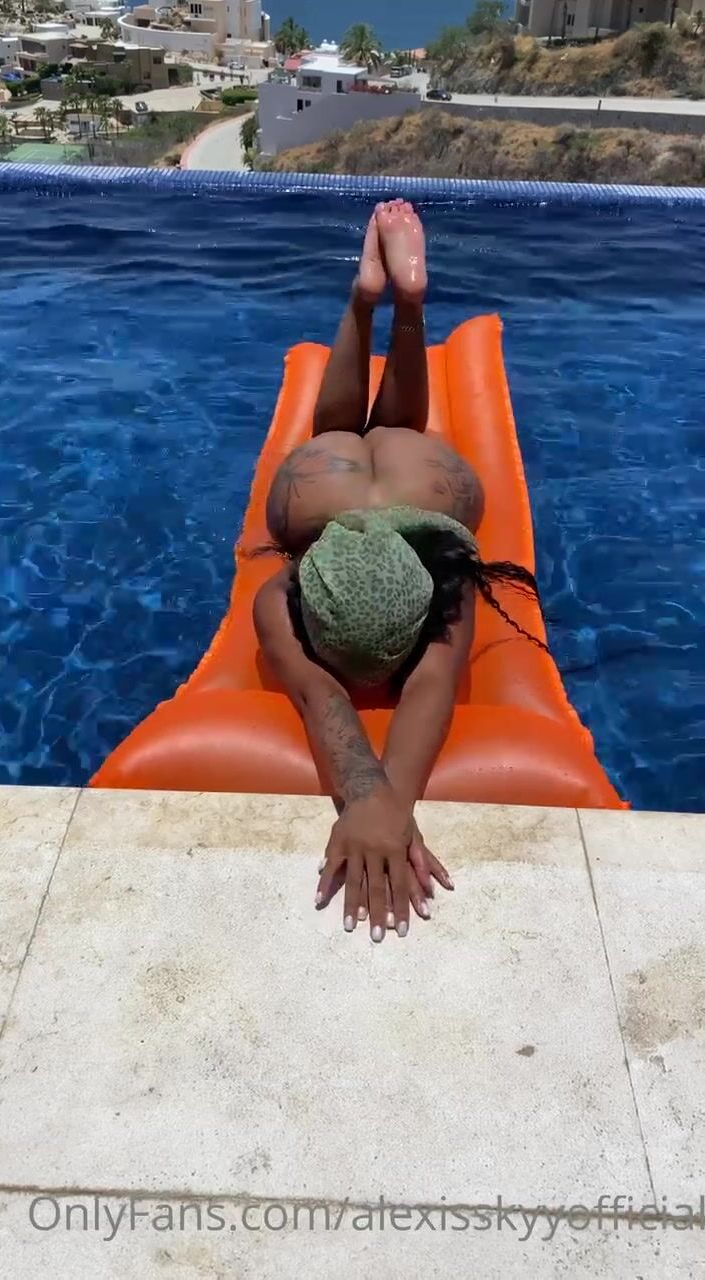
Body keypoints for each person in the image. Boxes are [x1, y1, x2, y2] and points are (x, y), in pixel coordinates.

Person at [254, 200, 546, 943]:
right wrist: (384, 803)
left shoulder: (286, 593)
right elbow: (431, 683)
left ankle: (388, 300)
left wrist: (373, 802)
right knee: (373, 431)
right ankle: (379, 298)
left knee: (357, 430)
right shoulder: (437, 585)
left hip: (406, 491)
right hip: (345, 491)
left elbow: (321, 692)